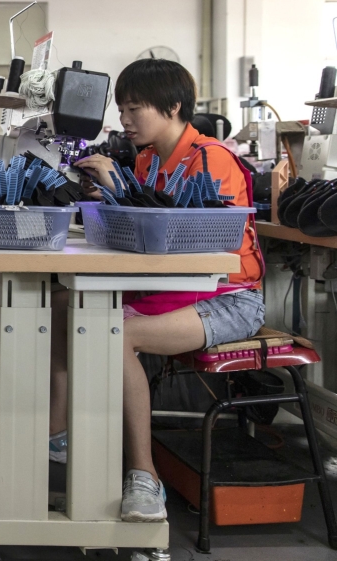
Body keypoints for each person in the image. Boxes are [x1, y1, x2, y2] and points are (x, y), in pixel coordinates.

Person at [54, 59, 264, 522]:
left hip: (229, 297)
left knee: (120, 334)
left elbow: (201, 248)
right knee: (64, 304)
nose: (125, 121)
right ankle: (57, 435)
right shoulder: (149, 158)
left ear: (172, 108)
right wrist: (109, 197)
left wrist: (119, 192)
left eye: (134, 109)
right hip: (175, 289)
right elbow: (152, 231)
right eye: (122, 110)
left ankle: (144, 477)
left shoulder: (211, 160)